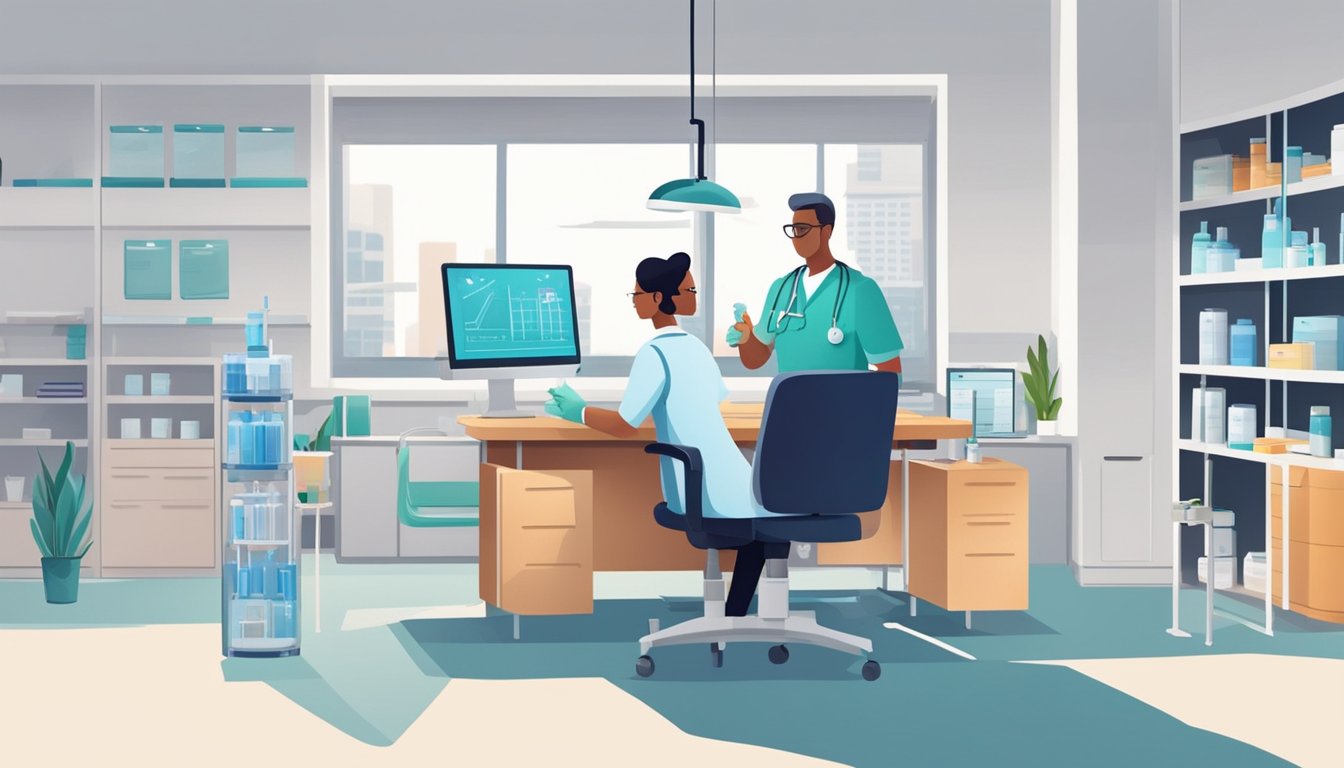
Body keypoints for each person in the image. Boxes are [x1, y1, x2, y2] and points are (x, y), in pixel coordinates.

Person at [544, 252, 779, 617]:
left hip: (700, 491)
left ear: (655, 299)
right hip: (744, 485)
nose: (635, 301)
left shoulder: (654, 352)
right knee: (762, 529)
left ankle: (731, 620)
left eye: (637, 294)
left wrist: (579, 412)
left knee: (746, 528)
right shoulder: (697, 349)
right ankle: (733, 619)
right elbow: (707, 404)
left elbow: (626, 425)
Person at [727, 192, 905, 378]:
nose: (796, 237)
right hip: (790, 404)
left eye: (803, 229)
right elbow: (756, 359)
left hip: (841, 405)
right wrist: (746, 337)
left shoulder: (860, 290)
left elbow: (890, 375)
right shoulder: (781, 289)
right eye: (794, 229)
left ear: (826, 231)